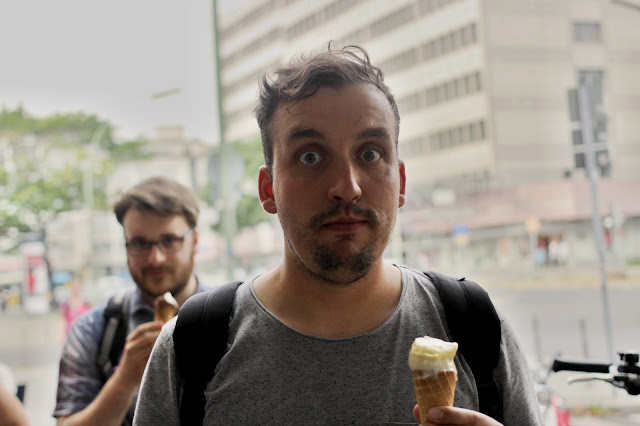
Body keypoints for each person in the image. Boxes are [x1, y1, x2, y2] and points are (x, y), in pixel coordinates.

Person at [134, 46, 543, 425]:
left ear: (400, 182)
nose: (348, 187)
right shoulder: (191, 348)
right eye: (311, 156)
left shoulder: (476, 329)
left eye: (370, 153)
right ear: (268, 189)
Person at [53, 176, 208, 426]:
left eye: (169, 241)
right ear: (125, 245)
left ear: (195, 241)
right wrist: (125, 378)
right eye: (139, 243)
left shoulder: (234, 317)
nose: (156, 258)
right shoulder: (93, 330)